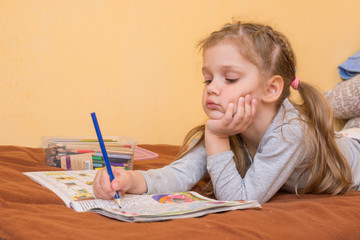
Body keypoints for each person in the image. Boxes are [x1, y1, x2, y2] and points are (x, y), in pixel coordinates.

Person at [93, 21, 360, 203]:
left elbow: (239, 199)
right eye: (208, 80)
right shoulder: (227, 127)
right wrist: (129, 179)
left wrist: (217, 138)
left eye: (230, 79)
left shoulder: (290, 131)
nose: (212, 89)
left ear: (271, 89)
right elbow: (181, 174)